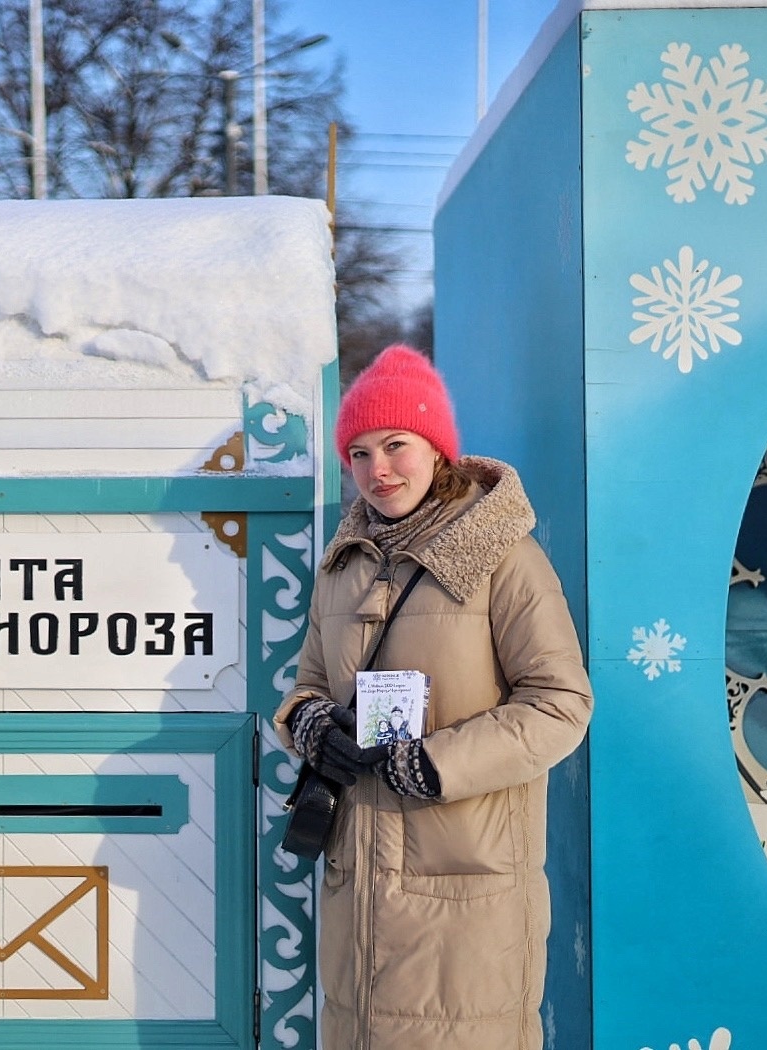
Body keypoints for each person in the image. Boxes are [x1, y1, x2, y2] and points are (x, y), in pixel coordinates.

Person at [273, 345, 592, 1050]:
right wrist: (313, 725)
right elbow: (307, 688)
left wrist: (436, 763)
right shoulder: (342, 566)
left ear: (438, 450)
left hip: (464, 893)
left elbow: (560, 704)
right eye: (357, 453)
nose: (376, 470)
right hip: (357, 891)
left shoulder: (503, 557)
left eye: (394, 445)